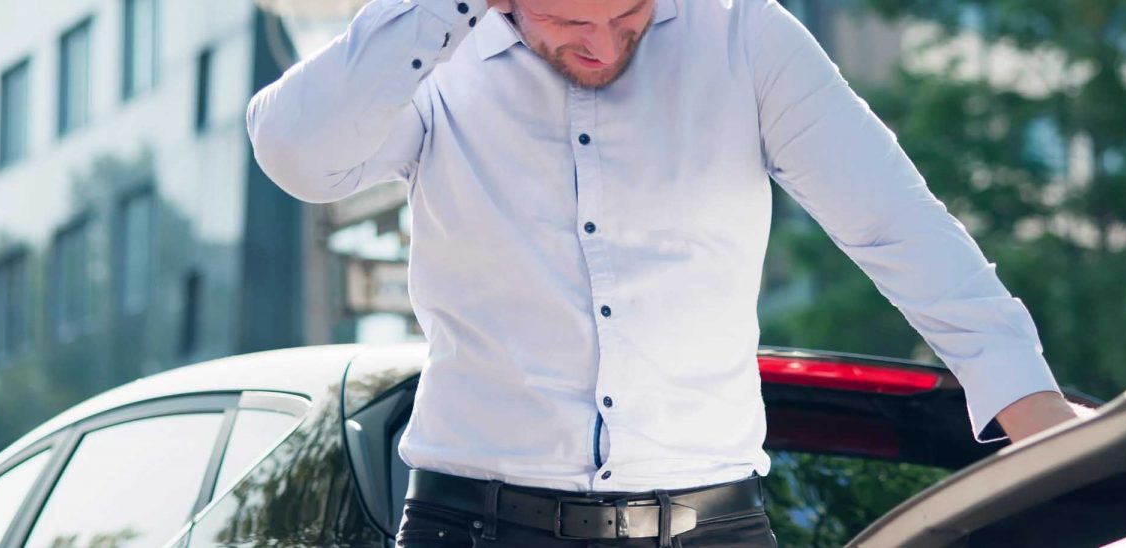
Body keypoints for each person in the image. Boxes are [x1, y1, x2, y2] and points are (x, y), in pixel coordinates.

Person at [246, 0, 1083, 545]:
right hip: (474, 524)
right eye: (568, 20)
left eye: (630, 13)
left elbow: (901, 229)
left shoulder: (745, 36)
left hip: (711, 526)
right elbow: (298, 154)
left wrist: (1053, 440)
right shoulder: (434, 61)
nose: (603, 46)